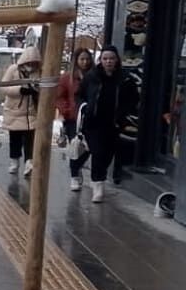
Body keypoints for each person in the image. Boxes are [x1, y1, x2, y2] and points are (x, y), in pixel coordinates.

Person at [79, 46, 140, 203]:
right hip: (93, 122)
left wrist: (125, 116)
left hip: (114, 123)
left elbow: (133, 100)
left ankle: (100, 176)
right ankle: (97, 185)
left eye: (111, 58)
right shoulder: (92, 77)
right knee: (98, 152)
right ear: (101, 60)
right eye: (105, 59)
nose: (108, 62)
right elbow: (80, 95)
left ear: (117, 60)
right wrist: (85, 108)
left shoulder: (125, 79)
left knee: (108, 155)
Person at [0, 46, 42, 176]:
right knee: (15, 138)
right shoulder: (13, 70)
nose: (31, 66)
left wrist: (36, 91)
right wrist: (19, 90)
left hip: (31, 112)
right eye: (29, 62)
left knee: (30, 138)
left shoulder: (39, 72)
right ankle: (14, 161)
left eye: (34, 63)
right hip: (15, 110)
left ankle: (29, 162)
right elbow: (3, 86)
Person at [56, 48, 95, 191]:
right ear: (76, 61)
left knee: (89, 147)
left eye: (87, 59)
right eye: (82, 59)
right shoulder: (67, 78)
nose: (85, 62)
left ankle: (77, 167)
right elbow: (60, 97)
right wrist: (65, 111)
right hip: (73, 118)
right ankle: (74, 176)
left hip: (91, 117)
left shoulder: (94, 76)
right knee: (76, 146)